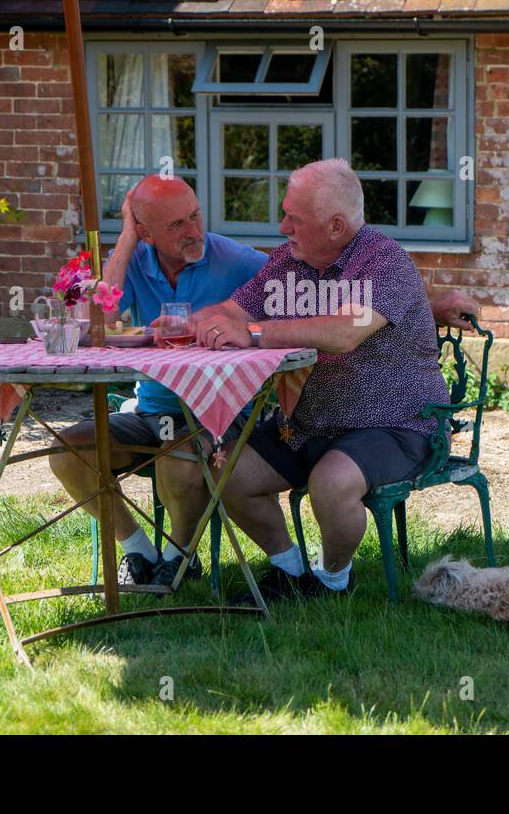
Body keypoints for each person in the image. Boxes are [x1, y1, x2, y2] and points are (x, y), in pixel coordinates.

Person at [192, 158, 454, 601]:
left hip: (398, 424)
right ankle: (291, 571)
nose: (282, 228)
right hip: (310, 424)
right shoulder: (288, 262)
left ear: (335, 226)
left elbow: (342, 332)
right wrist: (193, 321)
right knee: (226, 473)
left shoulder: (385, 261)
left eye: (294, 218)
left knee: (330, 485)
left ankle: (333, 580)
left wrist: (252, 334)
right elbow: (234, 311)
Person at [47, 174, 267, 588]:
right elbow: (94, 322)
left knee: (177, 456)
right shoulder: (134, 260)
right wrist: (128, 239)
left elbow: (286, 308)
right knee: (68, 450)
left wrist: (239, 327)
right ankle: (138, 550)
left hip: (217, 415)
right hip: (151, 411)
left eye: (195, 216)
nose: (194, 231)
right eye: (177, 225)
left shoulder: (236, 260)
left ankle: (177, 558)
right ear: (146, 231)